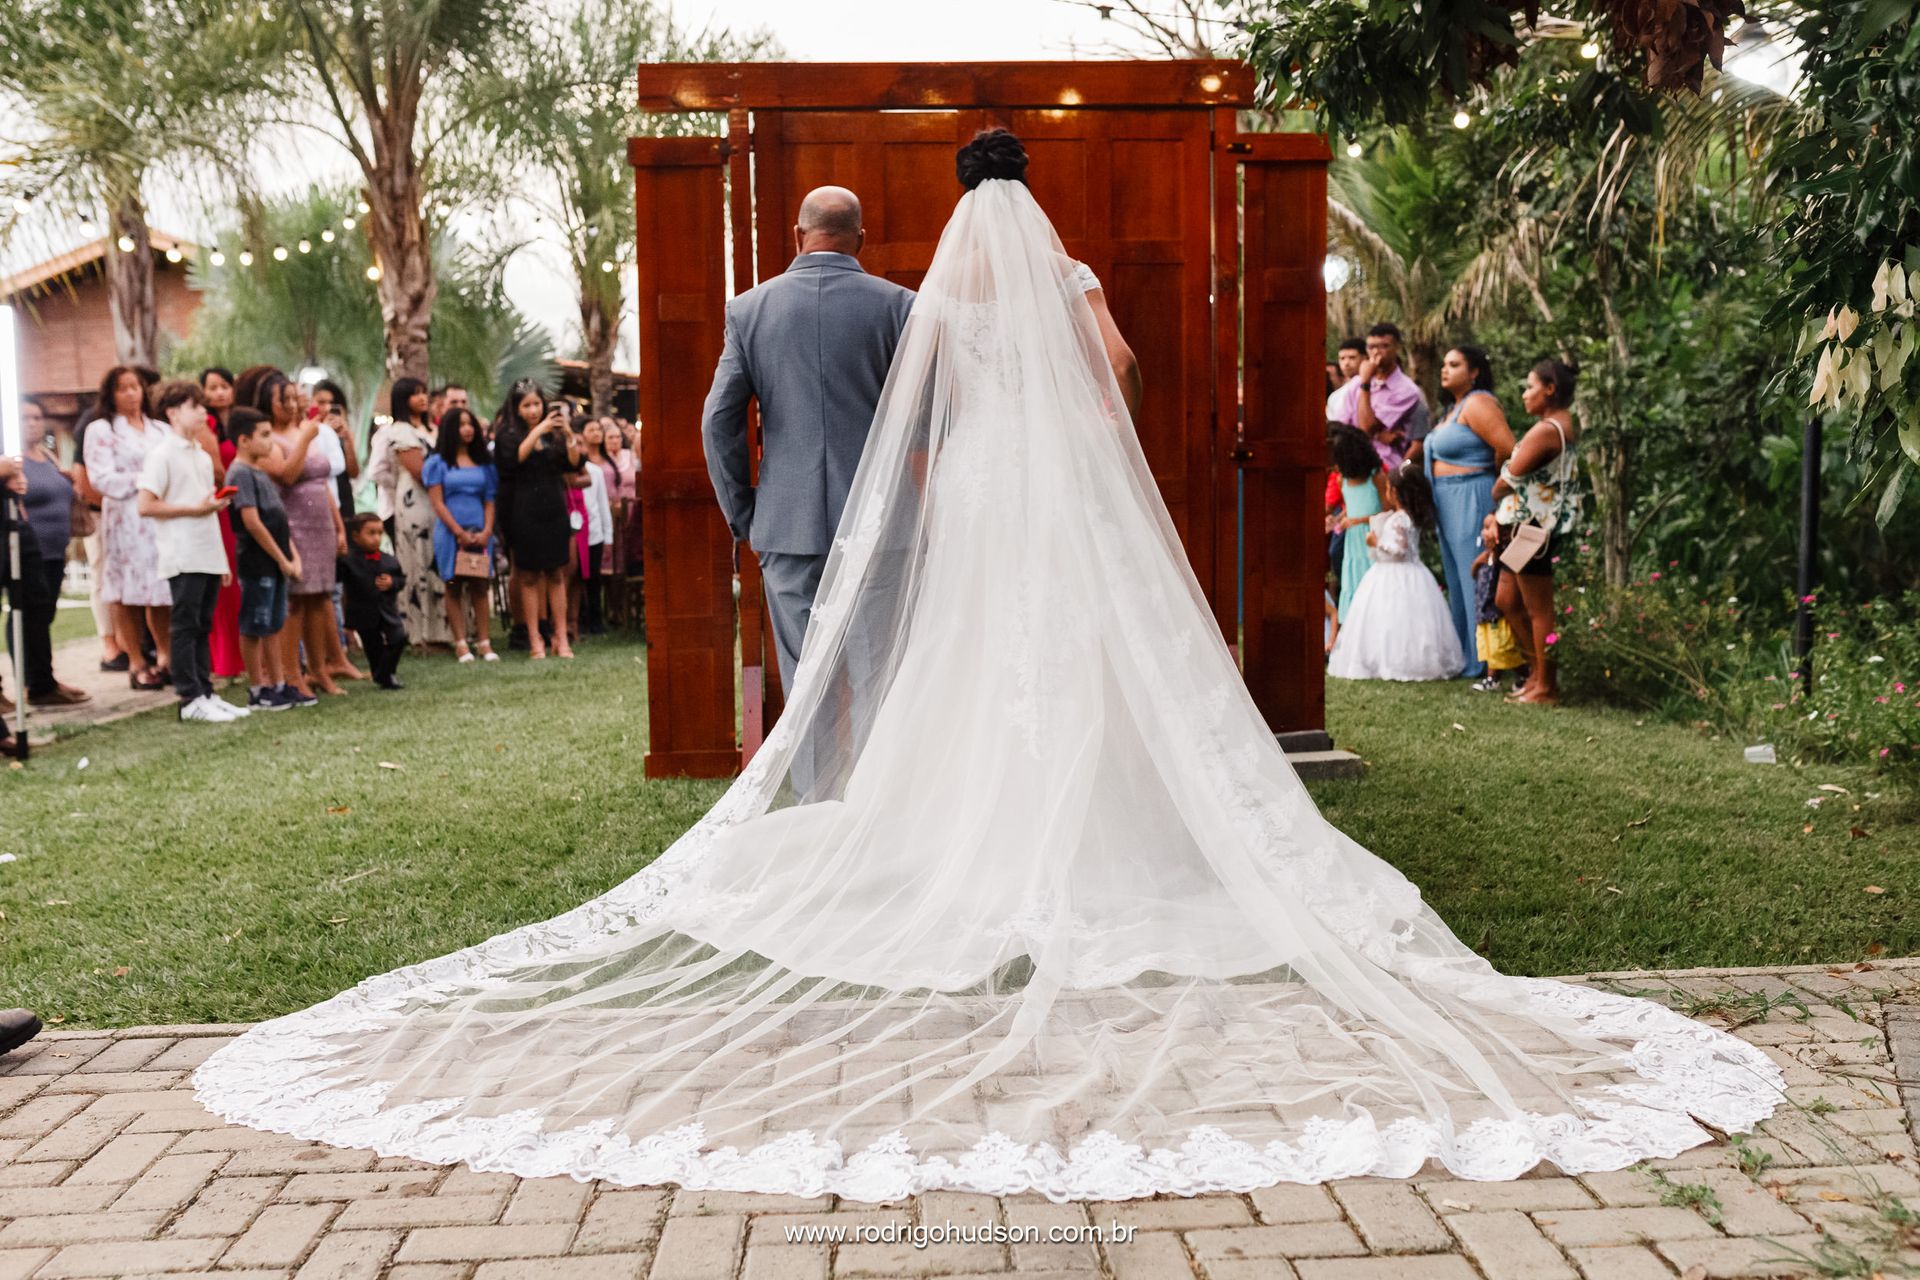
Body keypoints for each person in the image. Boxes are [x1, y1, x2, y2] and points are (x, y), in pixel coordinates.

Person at [197, 128, 1780, 1206]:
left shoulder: (934, 290)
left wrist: (945, 462)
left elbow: (925, 422)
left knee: (962, 667)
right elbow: (1125, 381)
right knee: (1088, 654)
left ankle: (939, 828)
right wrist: (1079, 422)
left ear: (957, 203)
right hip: (1065, 493)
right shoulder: (1068, 282)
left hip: (977, 493)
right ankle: (1101, 822)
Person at [700, 181, 919, 697]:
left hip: (786, 524)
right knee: (877, 678)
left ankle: (816, 783)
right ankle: (875, 782)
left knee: (805, 683)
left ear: (798, 234)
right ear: (860, 239)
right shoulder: (900, 307)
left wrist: (745, 516)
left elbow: (717, 420)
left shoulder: (750, 310)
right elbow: (926, 417)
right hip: (878, 519)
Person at [137, 380, 244, 723]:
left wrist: (221, 558)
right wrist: (193, 510)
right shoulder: (162, 454)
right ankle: (189, 696)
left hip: (207, 549)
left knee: (202, 624)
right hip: (181, 551)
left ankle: (206, 691)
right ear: (172, 412)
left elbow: (205, 508)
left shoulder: (199, 453)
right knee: (185, 625)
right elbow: (146, 504)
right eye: (194, 406)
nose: (202, 412)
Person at [1493, 357, 1582, 706]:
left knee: (1538, 608)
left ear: (1550, 389)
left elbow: (1506, 480)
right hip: (1523, 524)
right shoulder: (1553, 425)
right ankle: (1536, 675)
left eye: (1530, 387)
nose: (1525, 395)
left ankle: (1546, 687)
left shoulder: (1547, 430)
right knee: (1507, 600)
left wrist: (1500, 486)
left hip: (1533, 527)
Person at [1424, 346, 1514, 679]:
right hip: (1446, 501)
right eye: (1444, 364)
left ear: (1474, 371)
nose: (1445, 370)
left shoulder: (1479, 402)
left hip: (1472, 494)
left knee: (1475, 575)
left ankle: (1488, 661)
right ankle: (1466, 655)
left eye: (1454, 364)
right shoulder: (1452, 408)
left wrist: (1492, 489)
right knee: (1456, 579)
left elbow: (1507, 447)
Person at [1327, 464, 1463, 681]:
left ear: (1396, 492)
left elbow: (1399, 551)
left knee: (1394, 618)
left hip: (1395, 573)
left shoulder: (1399, 520)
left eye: (1389, 488)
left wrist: (1376, 542)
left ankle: (1396, 661)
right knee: (1406, 620)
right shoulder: (1408, 517)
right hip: (1410, 573)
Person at [82, 366, 171, 689]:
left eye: (136, 387)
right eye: (123, 388)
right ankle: (135, 660)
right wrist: (146, 481)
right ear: (112, 394)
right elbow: (101, 477)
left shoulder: (160, 430)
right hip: (125, 516)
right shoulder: (101, 430)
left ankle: (165, 656)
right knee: (128, 591)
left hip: (159, 515)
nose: (132, 393)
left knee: (160, 590)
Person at [259, 371, 347, 699]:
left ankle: (320, 670)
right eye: (286, 398)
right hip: (292, 522)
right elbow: (287, 475)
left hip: (321, 520)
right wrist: (306, 439)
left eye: (296, 397)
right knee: (295, 600)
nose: (294, 404)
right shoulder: (270, 437)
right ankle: (292, 674)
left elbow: (321, 482)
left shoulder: (303, 430)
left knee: (319, 597)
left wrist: (338, 526)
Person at [8, 399, 90, 707]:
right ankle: (33, 683)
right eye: (25, 417)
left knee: (44, 615)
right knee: (28, 615)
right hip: (28, 551)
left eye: (37, 417)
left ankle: (45, 677)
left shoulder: (47, 455)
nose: (33, 423)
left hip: (56, 549)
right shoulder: (12, 460)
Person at [227, 409, 309, 711]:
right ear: (244, 440)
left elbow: (278, 520)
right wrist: (280, 558)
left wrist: (292, 557)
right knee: (254, 625)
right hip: (257, 562)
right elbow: (252, 522)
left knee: (274, 624)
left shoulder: (260, 472)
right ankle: (257, 688)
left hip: (276, 563)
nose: (269, 441)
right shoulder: (239, 473)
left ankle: (278, 684)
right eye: (263, 435)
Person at [492, 381, 578, 659]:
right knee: (528, 576)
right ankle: (534, 640)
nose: (533, 410)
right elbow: (514, 460)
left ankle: (561, 638)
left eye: (536, 404)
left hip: (554, 507)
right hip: (524, 509)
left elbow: (573, 464)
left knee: (556, 574)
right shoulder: (508, 434)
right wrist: (538, 430)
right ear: (517, 408)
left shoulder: (553, 435)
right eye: (526, 405)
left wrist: (568, 435)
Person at [423, 407, 498, 663]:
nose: (467, 429)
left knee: (480, 585)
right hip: (451, 532)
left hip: (480, 531)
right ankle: (461, 643)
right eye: (461, 425)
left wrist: (487, 530)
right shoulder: (437, 463)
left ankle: (484, 642)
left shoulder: (484, 464)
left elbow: (489, 500)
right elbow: (437, 502)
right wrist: (458, 531)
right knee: (453, 585)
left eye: (470, 424)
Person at [381, 378, 451, 649]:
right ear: (402, 398)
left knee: (438, 557)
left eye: (424, 393)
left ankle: (443, 629)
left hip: (439, 501)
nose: (422, 398)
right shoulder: (400, 431)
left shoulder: (432, 429)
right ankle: (420, 632)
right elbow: (421, 472)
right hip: (416, 501)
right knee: (419, 560)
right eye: (415, 394)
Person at [199, 368, 246, 684]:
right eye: (212, 387)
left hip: (248, 501)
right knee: (227, 585)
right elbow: (216, 470)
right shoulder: (206, 425)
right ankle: (226, 659)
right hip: (223, 504)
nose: (218, 393)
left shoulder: (244, 420)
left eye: (224, 386)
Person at [1333, 323, 1429, 470]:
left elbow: (1367, 427)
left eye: (1384, 346)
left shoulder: (1406, 390)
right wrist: (1378, 435)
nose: (1376, 352)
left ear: (1397, 348)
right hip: (1352, 466)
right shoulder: (1354, 384)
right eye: (1371, 347)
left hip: (1385, 467)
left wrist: (1365, 384)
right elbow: (1340, 427)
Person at [338, 513, 406, 690]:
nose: (376, 538)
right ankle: (384, 677)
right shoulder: (348, 561)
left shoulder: (389, 560)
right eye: (371, 533)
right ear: (355, 536)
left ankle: (385, 672)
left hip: (387, 610)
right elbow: (340, 582)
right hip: (363, 613)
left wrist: (392, 583)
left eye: (379, 533)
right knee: (372, 647)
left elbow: (401, 580)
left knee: (398, 638)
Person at [1329, 424, 1384, 621]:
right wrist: (1338, 518)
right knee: (1355, 580)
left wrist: (1359, 520)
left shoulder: (1375, 478)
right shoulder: (1342, 481)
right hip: (1353, 542)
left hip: (1372, 537)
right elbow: (1350, 507)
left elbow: (1389, 511)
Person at [1470, 512, 1527, 694]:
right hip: (1484, 611)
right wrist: (1479, 562)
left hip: (1496, 613)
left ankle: (1520, 674)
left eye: (1490, 528)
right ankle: (1494, 678)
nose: (1485, 532)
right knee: (1490, 648)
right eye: (1484, 528)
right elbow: (1474, 574)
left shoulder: (1502, 557)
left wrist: (1492, 552)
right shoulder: (1485, 557)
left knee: (1502, 648)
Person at [574, 416, 615, 637]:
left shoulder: (595, 472)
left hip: (594, 533)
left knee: (594, 579)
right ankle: (578, 620)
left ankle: (596, 621)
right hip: (574, 533)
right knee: (575, 579)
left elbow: (602, 505)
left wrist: (608, 537)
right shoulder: (566, 474)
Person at [1325, 336, 1365, 419]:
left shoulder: (1375, 388)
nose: (1346, 363)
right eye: (1342, 358)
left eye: (1352, 357)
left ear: (1365, 358)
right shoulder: (1335, 397)